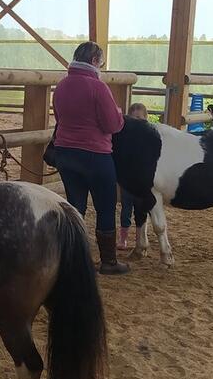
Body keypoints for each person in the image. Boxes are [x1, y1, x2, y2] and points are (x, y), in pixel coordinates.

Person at [50, 41, 129, 275]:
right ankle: (108, 261)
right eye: (101, 62)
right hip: (95, 154)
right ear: (95, 61)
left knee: (75, 206)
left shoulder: (62, 86)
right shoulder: (98, 88)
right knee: (105, 206)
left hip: (65, 151)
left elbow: (59, 118)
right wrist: (118, 115)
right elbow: (112, 124)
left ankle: (75, 259)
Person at [118, 102, 149, 250]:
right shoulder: (125, 138)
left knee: (141, 210)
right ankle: (123, 238)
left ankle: (139, 239)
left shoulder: (148, 139)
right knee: (125, 210)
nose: (136, 122)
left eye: (139, 119)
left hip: (141, 182)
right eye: (133, 118)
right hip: (127, 181)